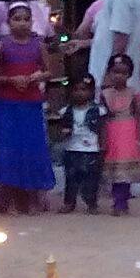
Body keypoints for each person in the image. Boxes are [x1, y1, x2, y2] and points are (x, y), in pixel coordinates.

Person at [0, 2, 55, 213]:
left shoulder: (38, 45)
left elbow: (49, 71)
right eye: (17, 19)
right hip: (8, 103)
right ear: (8, 22)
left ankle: (31, 199)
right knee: (8, 148)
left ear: (32, 21)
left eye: (26, 19)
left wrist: (36, 76)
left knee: (32, 147)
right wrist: (11, 80)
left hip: (31, 103)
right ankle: (7, 199)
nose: (22, 23)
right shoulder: (1, 46)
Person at [101, 54, 140, 215]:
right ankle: (118, 200)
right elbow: (101, 117)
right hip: (111, 133)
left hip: (128, 133)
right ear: (109, 73)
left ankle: (121, 202)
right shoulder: (105, 94)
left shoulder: (133, 93)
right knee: (115, 170)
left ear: (129, 75)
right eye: (115, 72)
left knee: (125, 170)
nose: (119, 76)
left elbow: (139, 116)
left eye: (123, 73)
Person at [58, 75, 103, 213]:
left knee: (91, 179)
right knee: (71, 178)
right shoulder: (66, 111)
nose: (80, 93)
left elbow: (103, 129)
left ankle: (92, 203)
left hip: (92, 149)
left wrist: (103, 145)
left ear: (91, 92)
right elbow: (60, 131)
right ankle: (69, 203)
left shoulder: (98, 110)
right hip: (72, 149)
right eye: (76, 89)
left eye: (84, 89)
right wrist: (64, 133)